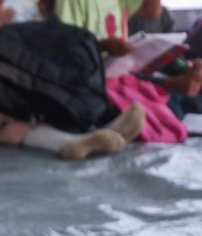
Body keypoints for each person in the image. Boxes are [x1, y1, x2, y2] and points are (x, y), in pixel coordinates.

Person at [0, 0, 143, 159]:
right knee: (5, 117)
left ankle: (96, 131)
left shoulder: (13, 20)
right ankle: (69, 144)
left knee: (37, 101)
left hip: (8, 93)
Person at [49, 0, 188, 142]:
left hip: (117, 79)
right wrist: (101, 46)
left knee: (168, 121)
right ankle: (99, 132)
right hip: (85, 80)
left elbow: (152, 12)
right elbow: (63, 47)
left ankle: (106, 131)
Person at [128, 0, 202, 119]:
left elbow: (174, 60)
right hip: (139, 89)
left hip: (168, 85)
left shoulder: (164, 15)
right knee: (172, 108)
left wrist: (190, 69)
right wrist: (165, 83)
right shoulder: (124, 18)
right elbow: (123, 75)